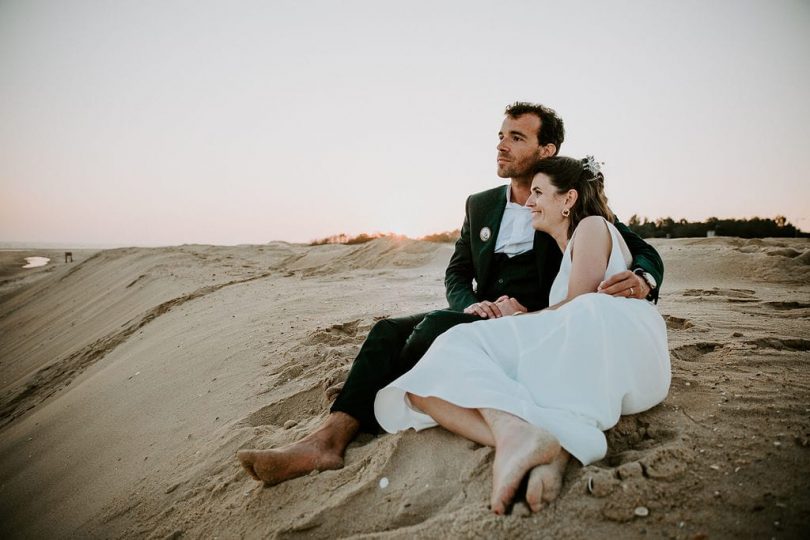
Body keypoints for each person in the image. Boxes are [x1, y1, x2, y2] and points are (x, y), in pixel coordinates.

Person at [237, 103, 664, 486]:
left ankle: (369, 394)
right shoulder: (479, 204)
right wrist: (470, 304)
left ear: (546, 151)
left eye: (516, 138)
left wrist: (645, 278)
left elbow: (633, 246)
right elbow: (458, 271)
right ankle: (326, 441)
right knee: (387, 330)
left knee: (436, 330)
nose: (501, 146)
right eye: (500, 136)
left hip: (535, 323)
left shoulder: (561, 197)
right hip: (478, 313)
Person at [374, 156, 671, 515]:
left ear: (569, 200)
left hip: (610, 338)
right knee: (422, 389)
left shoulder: (592, 226)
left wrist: (522, 315)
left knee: (453, 350)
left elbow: (581, 303)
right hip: (602, 342)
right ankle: (540, 443)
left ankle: (524, 435)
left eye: (539, 193)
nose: (529, 202)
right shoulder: (569, 246)